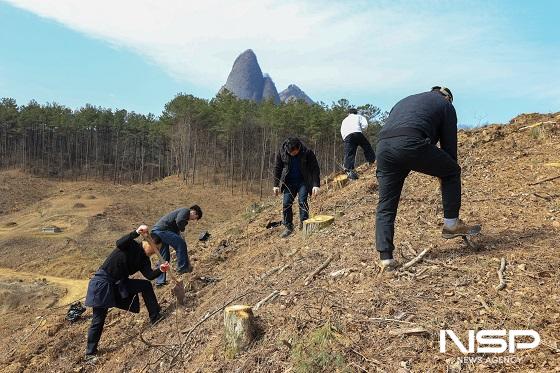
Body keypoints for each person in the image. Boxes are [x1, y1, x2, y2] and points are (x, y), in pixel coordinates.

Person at [375, 86, 481, 270]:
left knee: (386, 204)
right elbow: (449, 149)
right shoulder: (445, 105)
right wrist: (446, 174)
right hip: (410, 142)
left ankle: (386, 257)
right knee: (452, 171)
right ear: (448, 97)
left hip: (383, 147)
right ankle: (451, 224)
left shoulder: (406, 100)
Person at [84, 224, 169, 359]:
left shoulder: (144, 260)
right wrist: (136, 232)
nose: (154, 252)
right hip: (103, 283)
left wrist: (161, 270)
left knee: (146, 285)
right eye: (154, 248)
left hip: (119, 284)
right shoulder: (131, 245)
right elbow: (119, 242)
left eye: (157, 250)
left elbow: (149, 275)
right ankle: (90, 353)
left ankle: (155, 317)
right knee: (99, 318)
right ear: (147, 242)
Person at [273, 137, 321, 237]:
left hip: (303, 181)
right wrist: (276, 185)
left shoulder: (307, 152)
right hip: (289, 182)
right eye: (290, 152)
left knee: (302, 201)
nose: (292, 154)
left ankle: (304, 224)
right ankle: (288, 226)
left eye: (294, 152)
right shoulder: (282, 152)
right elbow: (277, 167)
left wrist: (316, 185)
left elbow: (315, 168)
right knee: (286, 203)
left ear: (298, 148)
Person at [151, 205, 202, 285]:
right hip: (162, 230)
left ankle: (160, 281)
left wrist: (179, 233)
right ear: (194, 212)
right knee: (181, 244)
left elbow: (176, 226)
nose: (193, 219)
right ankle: (182, 269)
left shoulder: (183, 215)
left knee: (164, 256)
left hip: (157, 231)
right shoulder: (185, 211)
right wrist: (182, 230)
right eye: (195, 217)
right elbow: (179, 221)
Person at [340, 108, 376, 180]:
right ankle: (372, 161)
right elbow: (365, 125)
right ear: (356, 112)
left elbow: (342, 130)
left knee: (349, 153)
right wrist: (361, 129)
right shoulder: (359, 116)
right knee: (366, 146)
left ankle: (350, 171)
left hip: (347, 136)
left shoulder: (344, 120)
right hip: (357, 133)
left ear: (348, 113)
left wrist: (345, 139)